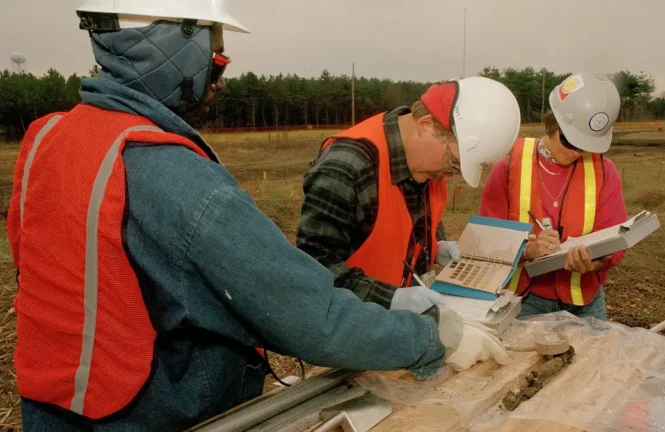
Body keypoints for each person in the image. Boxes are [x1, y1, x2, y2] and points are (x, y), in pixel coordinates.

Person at [7, 2, 511, 430]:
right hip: (154, 414)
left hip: (54, 408)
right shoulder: (179, 179)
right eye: (216, 60)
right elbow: (309, 316)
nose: (219, 82)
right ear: (172, 44)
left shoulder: (46, 137)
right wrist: (427, 338)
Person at [297, 78, 521, 314]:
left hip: (397, 330)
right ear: (425, 126)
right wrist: (390, 298)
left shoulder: (426, 166)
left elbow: (406, 227)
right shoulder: (347, 167)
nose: (448, 176)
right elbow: (313, 268)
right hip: (347, 331)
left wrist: (434, 246)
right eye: (453, 163)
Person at [479, 72, 627, 320]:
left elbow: (617, 239)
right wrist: (526, 250)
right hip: (524, 301)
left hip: (585, 303)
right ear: (552, 123)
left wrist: (597, 263)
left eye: (586, 145)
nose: (576, 153)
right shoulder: (508, 169)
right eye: (569, 141)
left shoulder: (604, 172)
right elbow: (485, 241)